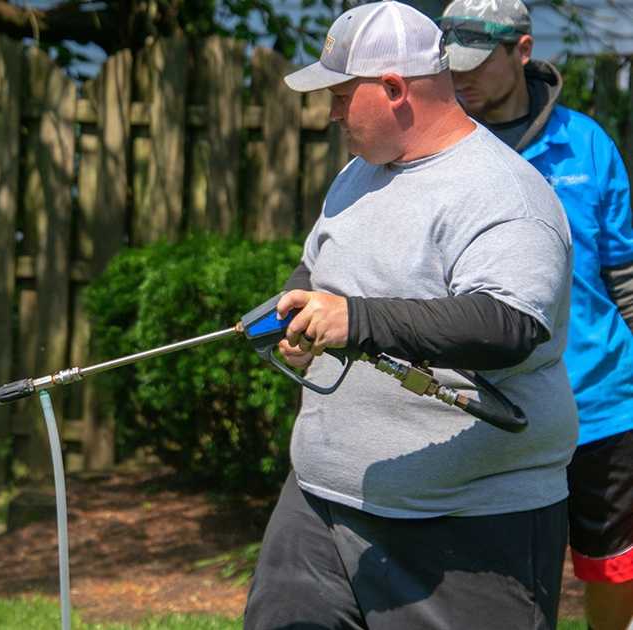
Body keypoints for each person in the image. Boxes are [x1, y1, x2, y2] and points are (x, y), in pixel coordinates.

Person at [243, 2, 578, 628]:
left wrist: (356, 320)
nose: (334, 112)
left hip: (468, 524)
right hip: (319, 502)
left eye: (343, 95)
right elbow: (320, 270)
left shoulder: (505, 193)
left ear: (395, 89)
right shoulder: (359, 173)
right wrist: (299, 314)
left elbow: (508, 325)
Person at [441, 1, 633, 627]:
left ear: (521, 51)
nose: (460, 79)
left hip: (601, 401)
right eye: (451, 64)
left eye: (476, 63)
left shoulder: (586, 145)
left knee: (613, 563)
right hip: (490, 407)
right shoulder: (442, 153)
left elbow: (624, 276)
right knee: (505, 573)